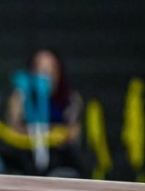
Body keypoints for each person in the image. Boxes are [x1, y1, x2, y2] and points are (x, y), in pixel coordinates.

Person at [5, 47, 86, 175]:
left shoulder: (71, 99)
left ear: (59, 72)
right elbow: (12, 129)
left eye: (51, 68)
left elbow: (74, 134)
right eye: (41, 69)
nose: (46, 74)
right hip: (26, 157)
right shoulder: (20, 96)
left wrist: (48, 133)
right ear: (32, 72)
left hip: (59, 160)